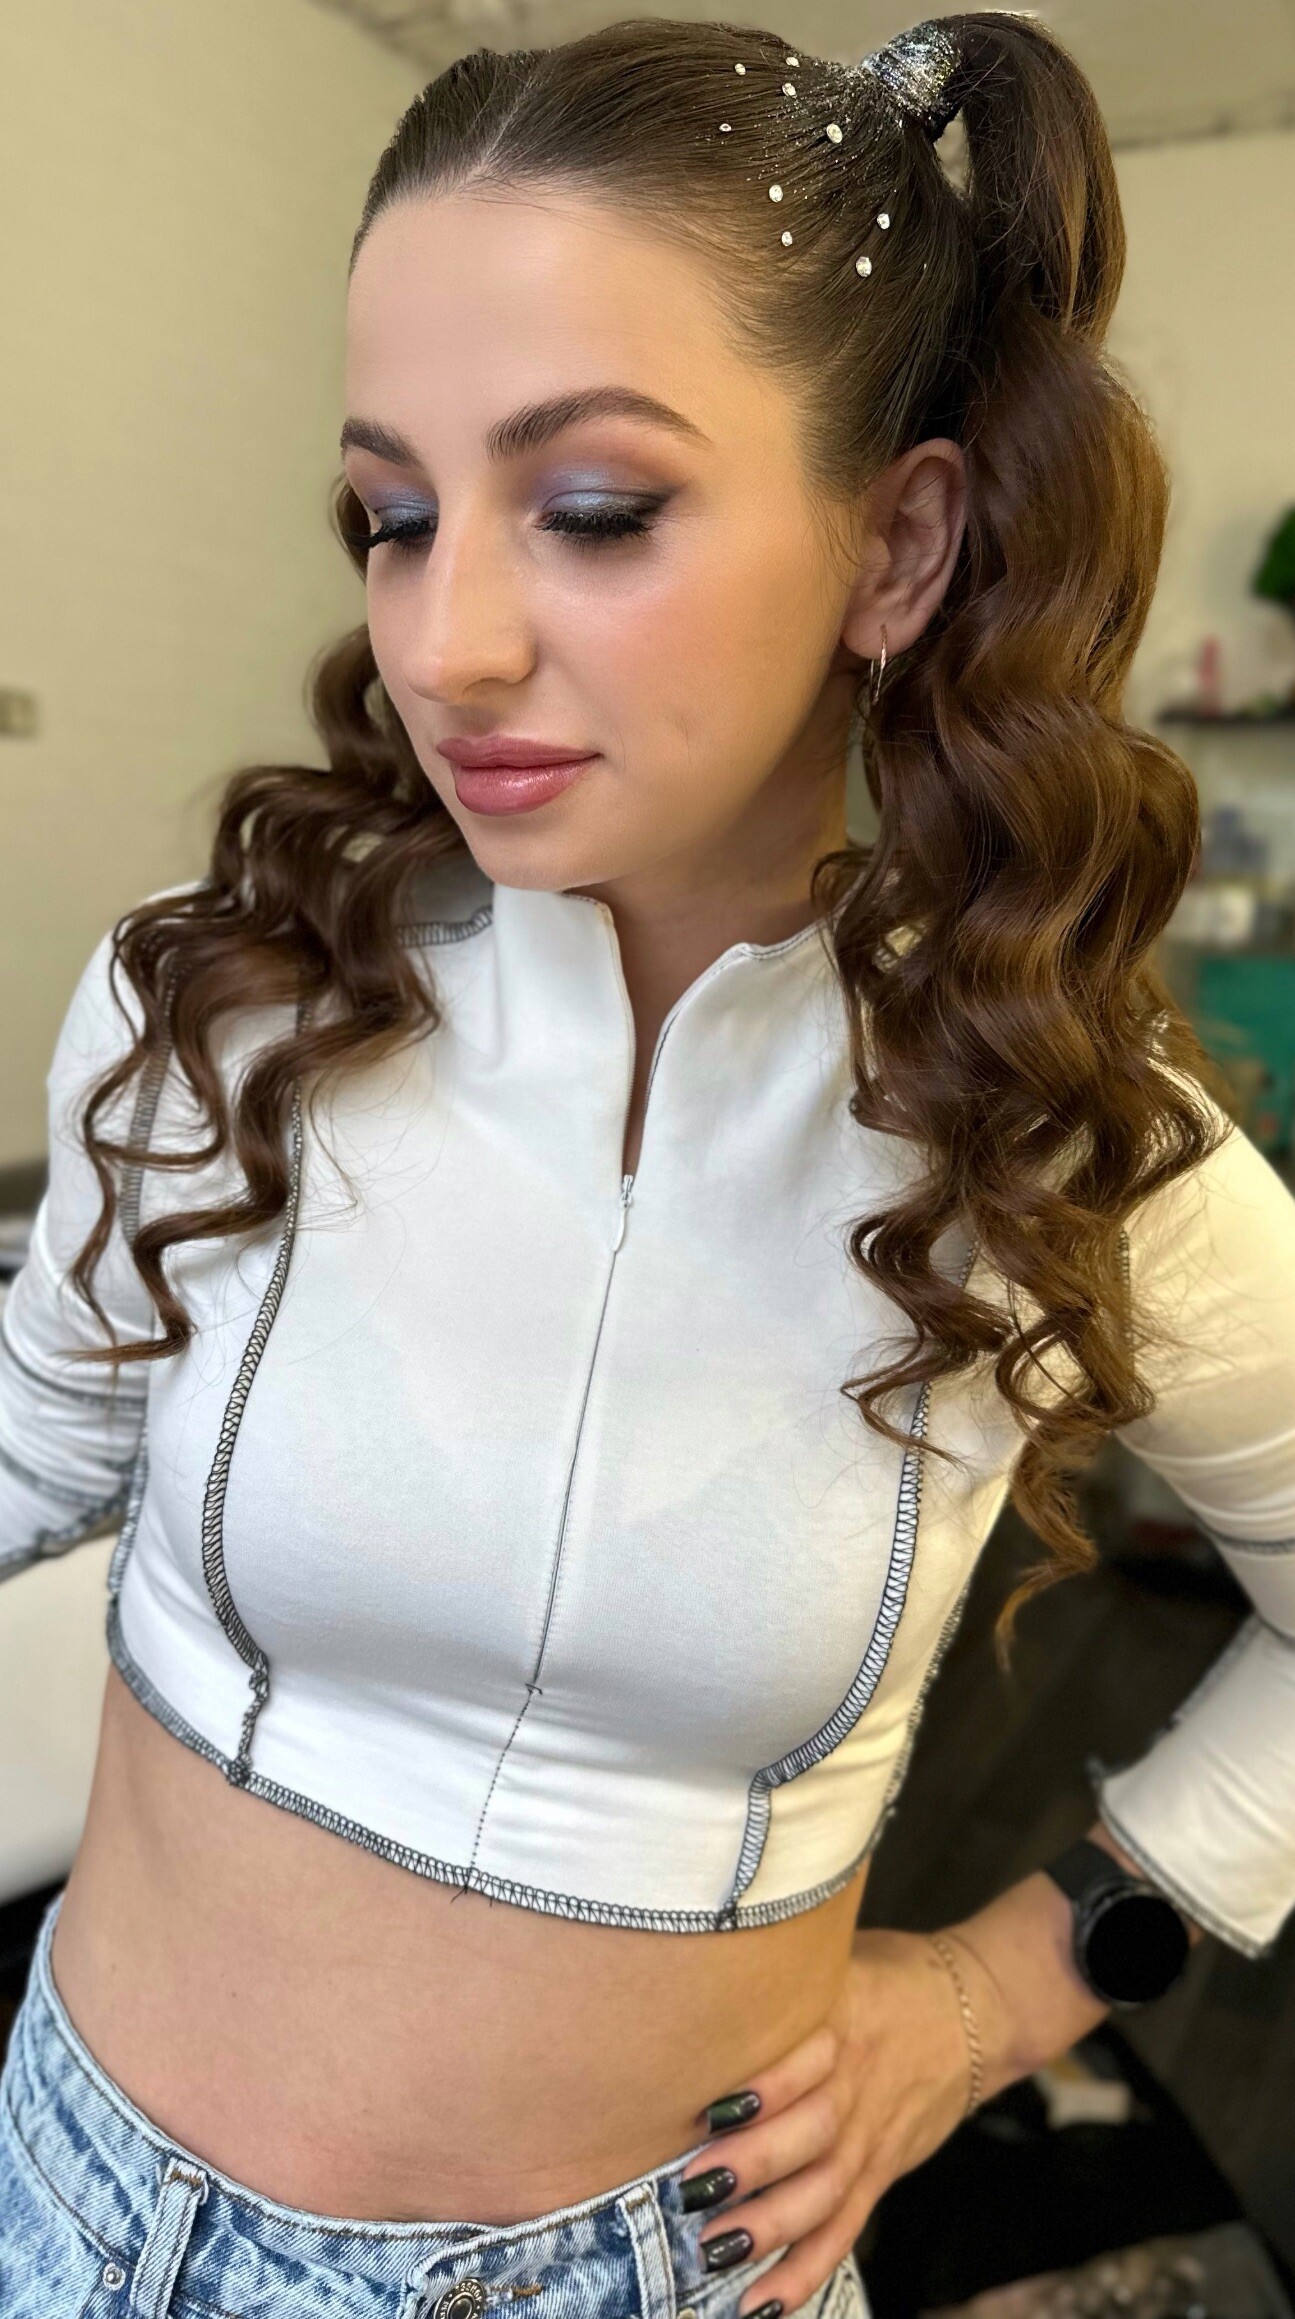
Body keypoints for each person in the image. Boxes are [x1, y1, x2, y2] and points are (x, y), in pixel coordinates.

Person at [2, 12, 1293, 2318]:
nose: (445, 640)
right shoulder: (222, 999)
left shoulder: (1048, 1132)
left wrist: (1007, 1983)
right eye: (395, 514)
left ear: (898, 544)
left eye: (593, 508)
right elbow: (33, 1437)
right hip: (77, 2209)